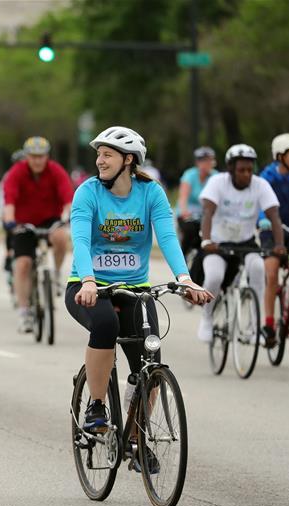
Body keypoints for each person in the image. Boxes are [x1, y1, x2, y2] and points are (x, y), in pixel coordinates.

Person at [65, 126, 211, 472]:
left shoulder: (151, 193)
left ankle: (134, 438)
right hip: (88, 287)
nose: (99, 160)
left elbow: (168, 239)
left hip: (134, 288)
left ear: (128, 160)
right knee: (105, 324)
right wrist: (87, 280)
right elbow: (81, 241)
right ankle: (97, 406)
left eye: (107, 154)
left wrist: (185, 279)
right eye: (98, 154)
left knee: (150, 358)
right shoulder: (87, 193)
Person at [196, 144, 286, 344]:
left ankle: (254, 326)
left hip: (245, 242)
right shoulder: (217, 182)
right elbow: (208, 212)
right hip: (218, 244)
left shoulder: (260, 185)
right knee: (214, 276)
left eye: (249, 169)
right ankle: (207, 317)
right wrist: (207, 240)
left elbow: (274, 216)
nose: (246, 174)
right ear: (230, 169)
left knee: (257, 268)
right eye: (241, 170)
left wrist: (279, 244)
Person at [1, 136, 74, 332]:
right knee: (23, 264)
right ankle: (24, 312)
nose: (37, 161)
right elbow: (10, 200)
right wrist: (9, 221)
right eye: (33, 157)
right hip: (23, 223)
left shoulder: (56, 171)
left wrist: (68, 216)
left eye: (41, 156)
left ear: (47, 156)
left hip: (51, 219)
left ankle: (56, 275)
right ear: (27, 157)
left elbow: (68, 197)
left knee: (61, 237)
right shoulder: (17, 172)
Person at [260, 134, 289, 337]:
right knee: (271, 274)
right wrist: (262, 219)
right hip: (272, 230)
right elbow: (259, 198)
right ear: (280, 156)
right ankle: (269, 323)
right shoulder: (267, 177)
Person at [176, 147, 218, 259]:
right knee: (189, 231)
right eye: (204, 160)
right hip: (189, 214)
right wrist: (184, 211)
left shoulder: (215, 176)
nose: (207, 163)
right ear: (198, 162)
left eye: (210, 160)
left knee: (207, 239)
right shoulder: (190, 175)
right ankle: (181, 259)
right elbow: (183, 196)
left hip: (207, 215)